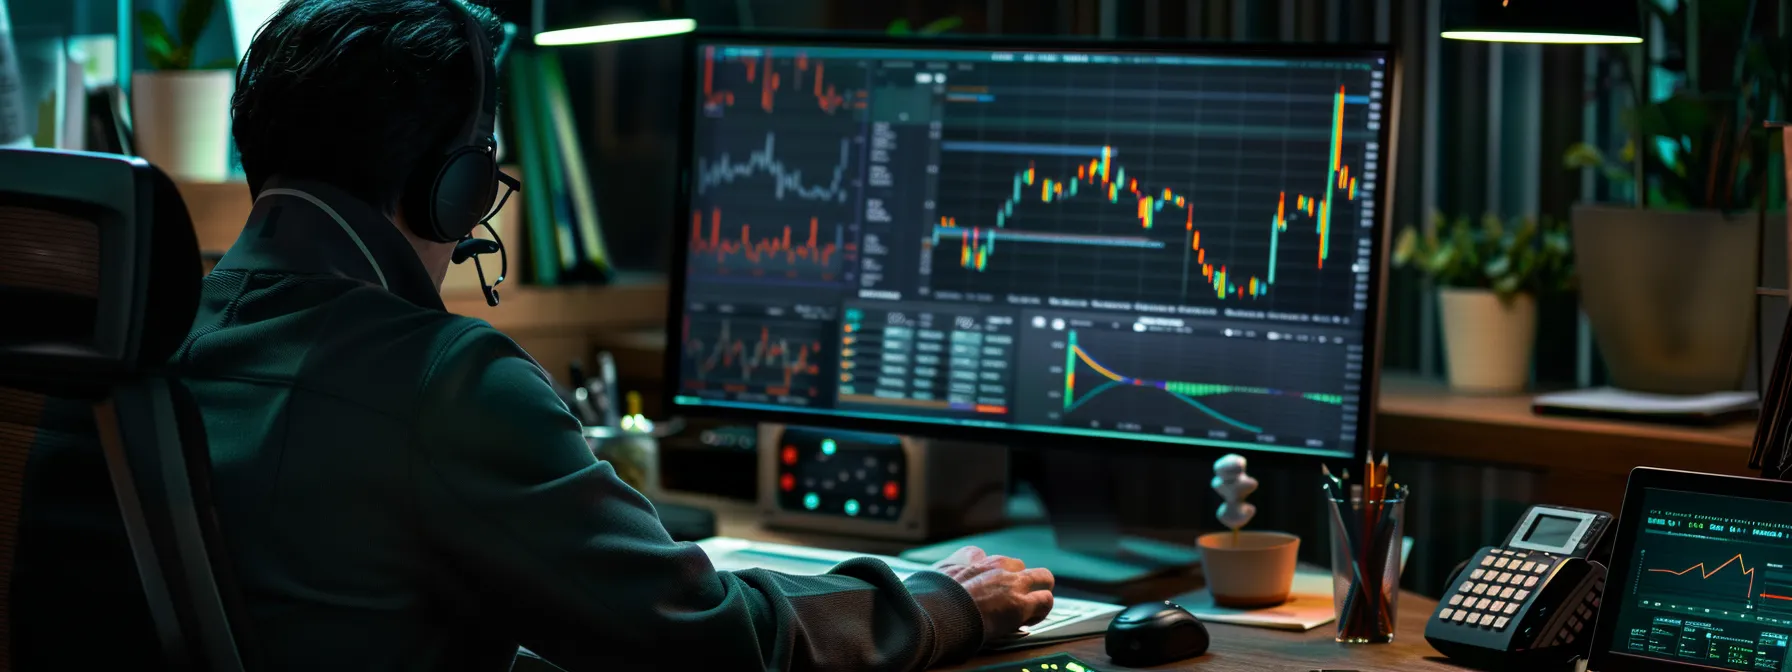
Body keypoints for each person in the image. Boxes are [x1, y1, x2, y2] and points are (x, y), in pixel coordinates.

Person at [172, 0, 1055, 669]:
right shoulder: (441, 381)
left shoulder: (164, 337)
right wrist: (936, 603)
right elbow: (708, 638)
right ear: (455, 186)